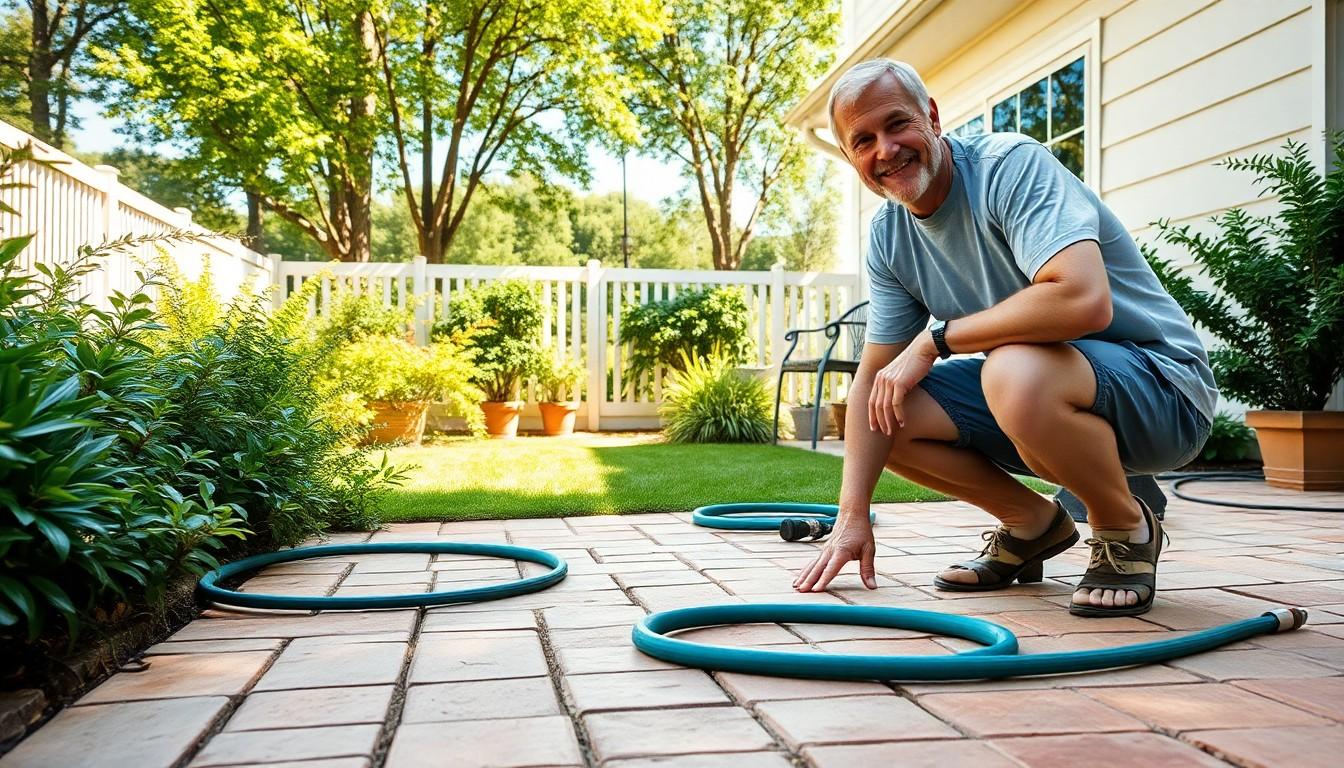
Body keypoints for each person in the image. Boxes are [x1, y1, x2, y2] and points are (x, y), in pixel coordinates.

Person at [791, 60, 1215, 617]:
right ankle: (1031, 523)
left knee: (1012, 368)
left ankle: (1124, 525)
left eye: (898, 124)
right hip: (1043, 400)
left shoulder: (1008, 166)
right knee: (883, 409)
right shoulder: (889, 236)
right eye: (863, 140)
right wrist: (852, 515)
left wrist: (935, 340)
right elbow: (875, 373)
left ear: (933, 117)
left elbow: (1082, 298)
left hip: (1162, 392)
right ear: (850, 158)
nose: (886, 149)